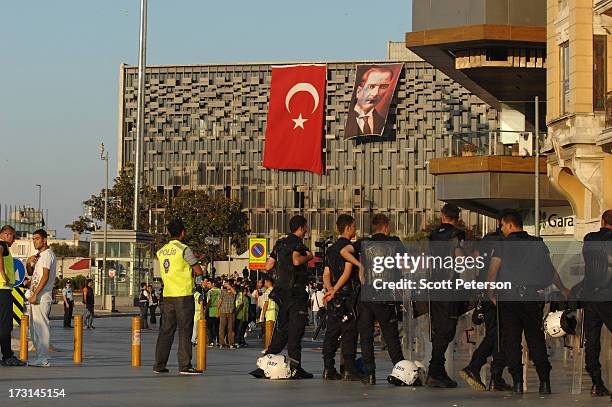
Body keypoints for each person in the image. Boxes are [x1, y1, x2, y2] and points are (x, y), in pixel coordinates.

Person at [487, 210, 569, 394]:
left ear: (509, 225)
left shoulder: (501, 245)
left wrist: (491, 292)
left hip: (508, 299)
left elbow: (493, 270)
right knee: (536, 340)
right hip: (532, 297)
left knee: (512, 341)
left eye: (502, 226)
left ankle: (517, 382)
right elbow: (550, 270)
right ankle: (544, 382)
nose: (502, 229)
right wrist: (563, 288)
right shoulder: (538, 244)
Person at [250, 215, 314, 379]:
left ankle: (265, 363)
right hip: (296, 292)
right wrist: (309, 256)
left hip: (281, 292)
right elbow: (296, 261)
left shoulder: (279, 244)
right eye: (305, 227)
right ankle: (295, 367)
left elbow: (268, 265)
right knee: (296, 331)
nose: (306, 230)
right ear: (301, 228)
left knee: (281, 329)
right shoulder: (298, 244)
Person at [347, 214, 404, 385]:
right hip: (385, 295)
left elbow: (345, 251)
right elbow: (404, 264)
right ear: (386, 226)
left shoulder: (364, 243)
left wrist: (360, 265)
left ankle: (370, 373)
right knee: (391, 336)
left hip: (366, 294)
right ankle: (399, 370)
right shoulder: (394, 242)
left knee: (366, 337)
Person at [460, 219, 510, 392]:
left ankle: (496, 377)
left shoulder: (486, 240)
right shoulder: (504, 242)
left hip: (485, 291)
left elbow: (473, 259)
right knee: (498, 335)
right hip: (496, 292)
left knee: (497, 335)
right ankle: (474, 366)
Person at [153, 219, 203, 375]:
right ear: (183, 232)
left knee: (166, 331)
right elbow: (198, 270)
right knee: (185, 330)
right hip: (184, 294)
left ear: (169, 232)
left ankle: (159, 365)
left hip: (168, 295)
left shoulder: (161, 251)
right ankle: (185, 365)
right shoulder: (184, 249)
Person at [425, 203, 466, 388]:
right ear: (456, 217)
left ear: (442, 216)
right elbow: (460, 260)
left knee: (439, 330)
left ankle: (438, 371)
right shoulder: (456, 235)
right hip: (450, 287)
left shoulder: (433, 235)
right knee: (447, 330)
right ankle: (435, 371)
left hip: (435, 285)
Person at [321, 214, 362, 381]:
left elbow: (326, 274)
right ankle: (349, 369)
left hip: (335, 297)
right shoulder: (349, 247)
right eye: (353, 226)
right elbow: (347, 271)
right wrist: (336, 289)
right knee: (349, 333)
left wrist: (330, 290)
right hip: (348, 294)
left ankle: (328, 368)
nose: (355, 229)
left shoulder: (330, 249)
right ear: (347, 228)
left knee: (331, 332)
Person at [581, 210, 612, 397]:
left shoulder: (589, 239)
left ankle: (596, 381)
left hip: (591, 294)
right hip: (608, 294)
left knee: (592, 341)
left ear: (602, 221)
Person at [25, 229, 56, 367]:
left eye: (37, 238)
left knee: (41, 327)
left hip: (42, 296)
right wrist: (28, 263)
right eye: (33, 239)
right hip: (35, 295)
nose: (34, 241)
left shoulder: (47, 254)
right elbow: (32, 274)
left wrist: (36, 294)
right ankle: (39, 356)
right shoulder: (39, 256)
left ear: (45, 240)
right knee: (34, 328)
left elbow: (45, 276)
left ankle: (43, 358)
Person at [0, 225, 26, 367]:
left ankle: (6, 354)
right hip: (2, 290)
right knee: (5, 324)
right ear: (7, 234)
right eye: (14, 237)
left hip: (3, 289)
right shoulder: (1, 244)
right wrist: (3, 273)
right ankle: (7, 356)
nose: (14, 240)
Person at [345, 66, 395, 137]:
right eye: (371, 87)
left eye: (383, 87)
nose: (375, 93)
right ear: (358, 91)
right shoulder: (344, 118)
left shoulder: (384, 122)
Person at [217, 279, 237, 349]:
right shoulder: (223, 292)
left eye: (227, 284)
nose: (226, 285)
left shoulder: (233, 292)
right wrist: (217, 310)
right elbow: (220, 301)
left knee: (231, 328)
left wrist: (230, 287)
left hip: (231, 312)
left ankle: (231, 343)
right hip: (223, 311)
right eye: (226, 284)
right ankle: (221, 342)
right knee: (222, 327)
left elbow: (235, 293)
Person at [260, 277, 277, 352]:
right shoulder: (275, 290)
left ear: (267, 282)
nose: (264, 284)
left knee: (269, 333)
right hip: (275, 313)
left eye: (265, 282)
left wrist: (263, 314)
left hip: (270, 314)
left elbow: (266, 303)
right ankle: (272, 348)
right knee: (273, 333)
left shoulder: (268, 291)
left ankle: (268, 348)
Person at [206, 280, 221, 346]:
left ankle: (211, 340)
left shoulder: (210, 291)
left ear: (213, 284)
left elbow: (209, 301)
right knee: (217, 326)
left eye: (209, 283)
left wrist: (206, 309)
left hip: (211, 310)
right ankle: (218, 340)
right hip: (218, 310)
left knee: (210, 327)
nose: (208, 285)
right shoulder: (219, 291)